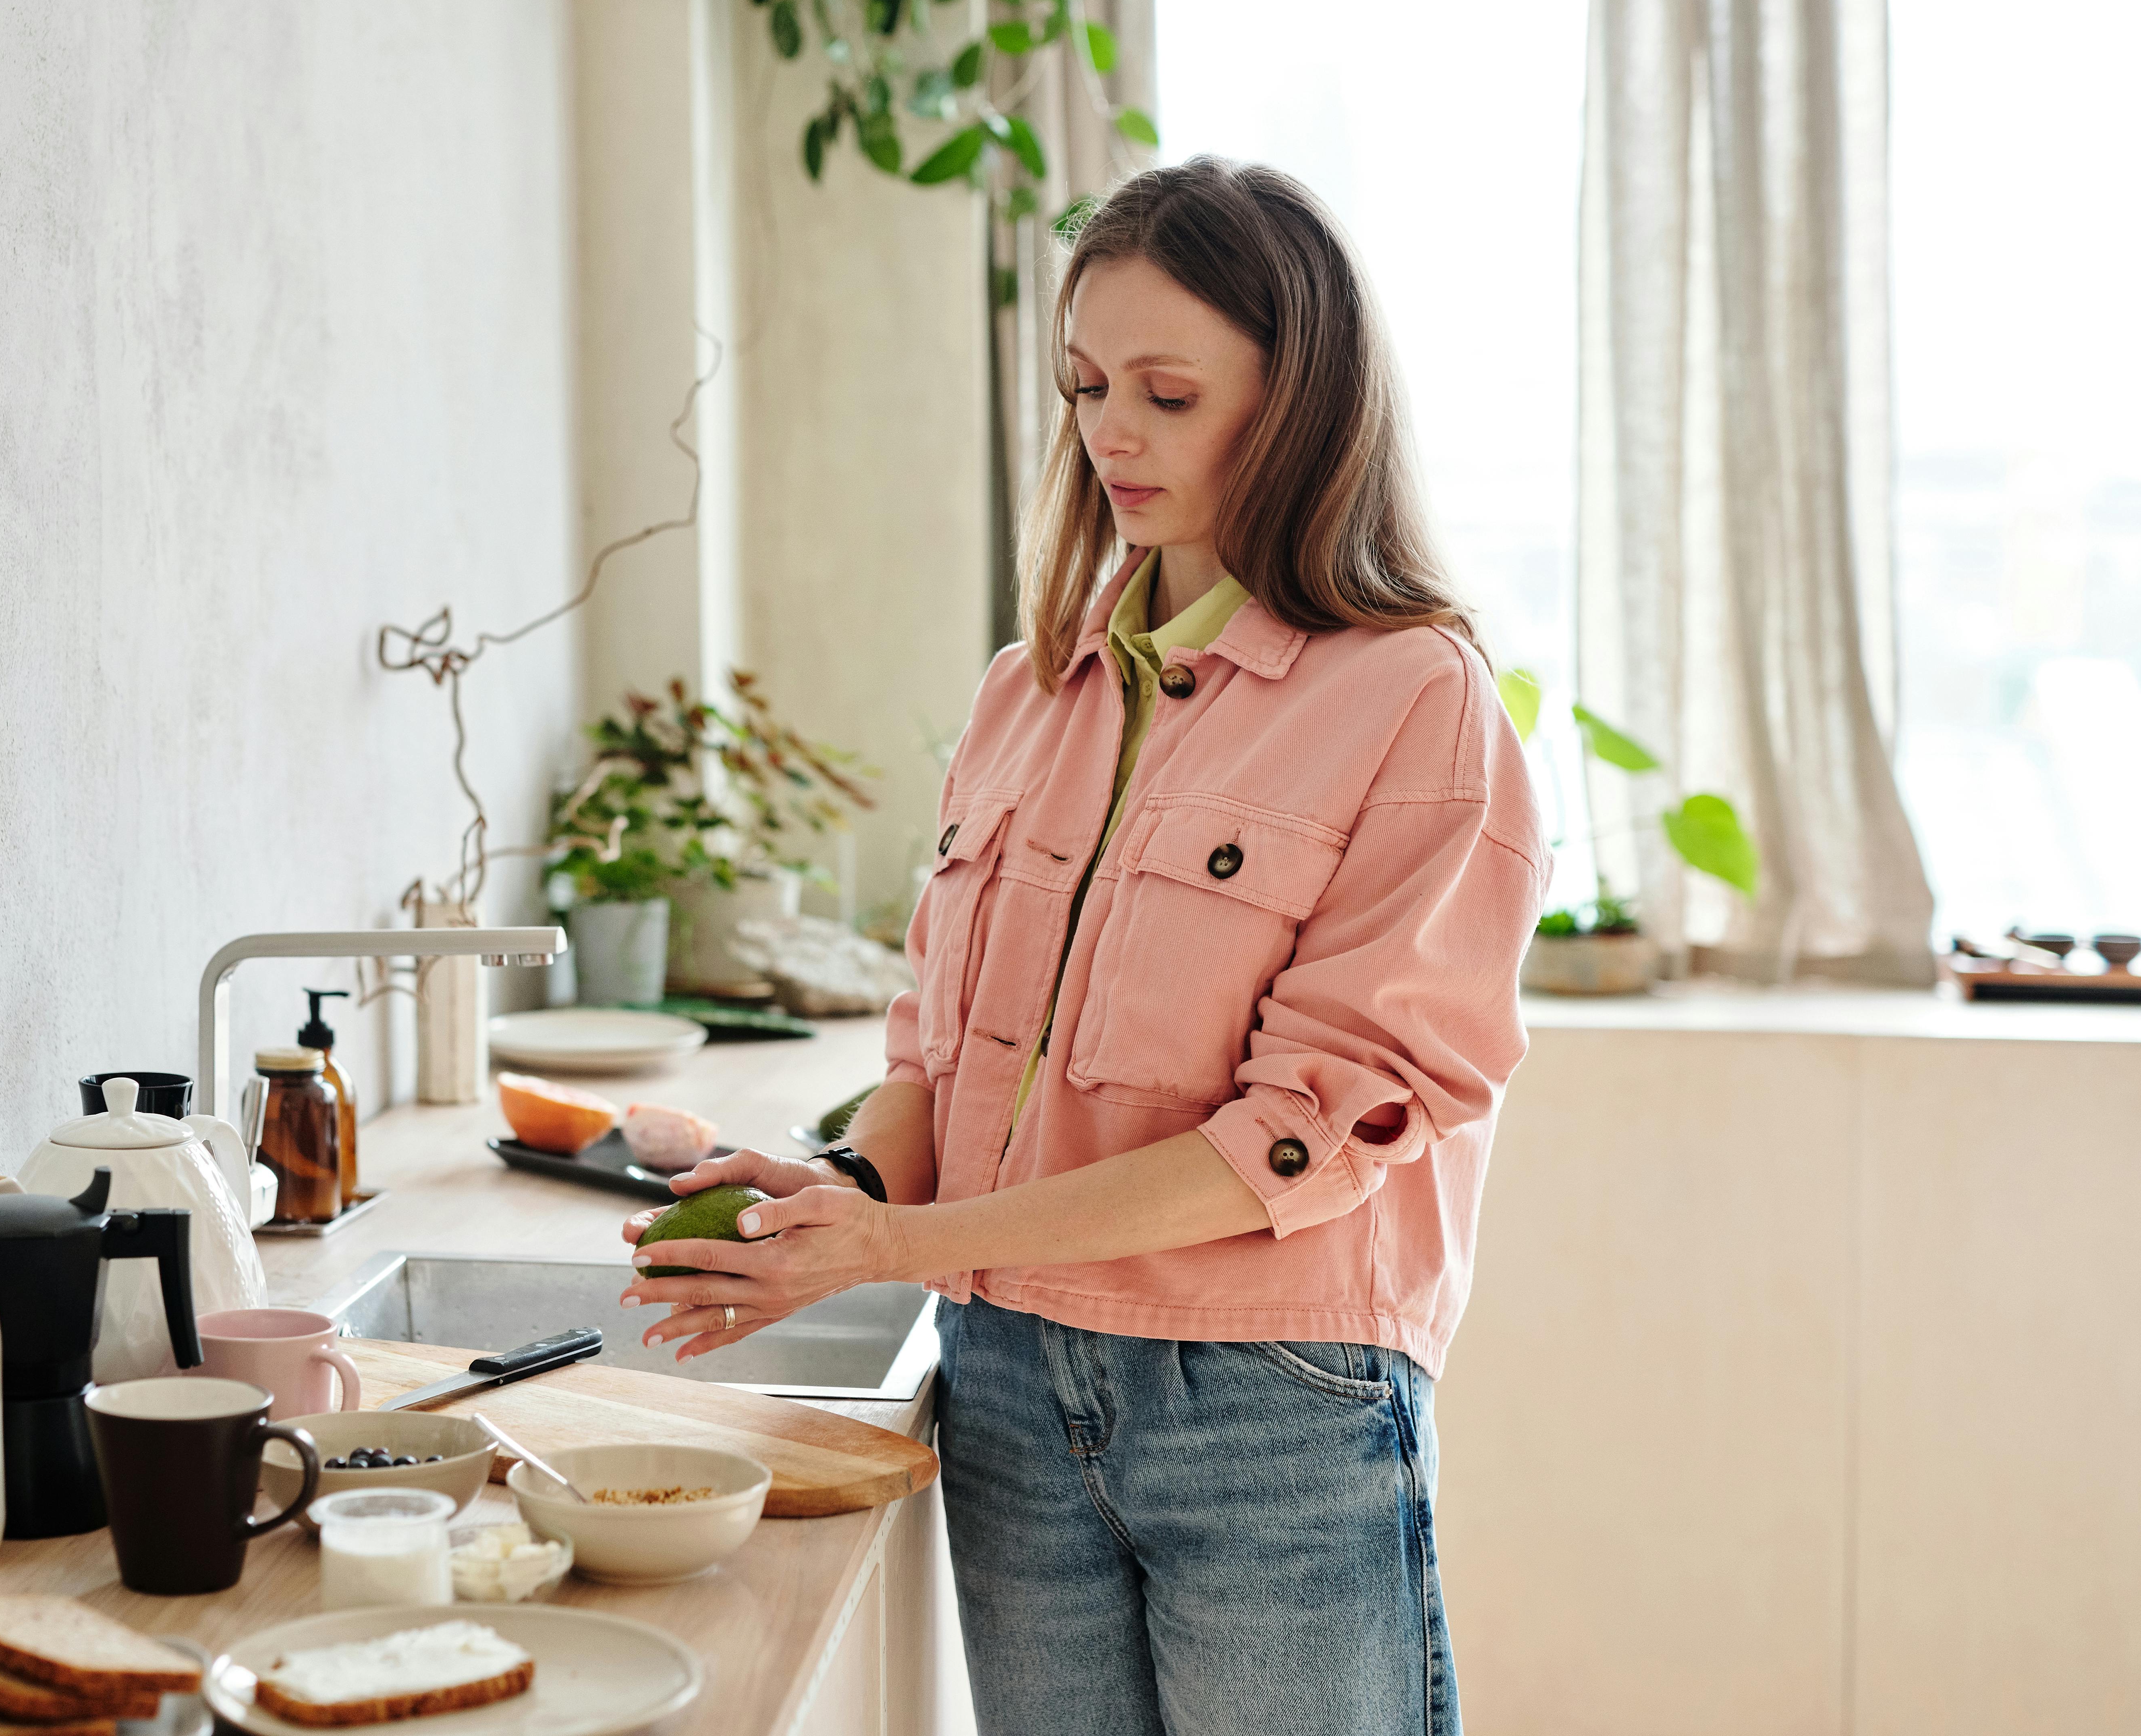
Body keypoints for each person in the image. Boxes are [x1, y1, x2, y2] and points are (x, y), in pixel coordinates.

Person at [621, 156, 1547, 1736]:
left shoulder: (1411, 700)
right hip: (1008, 1384)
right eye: (1084, 386)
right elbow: (940, 1052)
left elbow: (1307, 1132)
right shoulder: (1029, 690)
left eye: (1169, 394)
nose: (1111, 433)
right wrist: (841, 1199)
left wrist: (899, 1253)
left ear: (1303, 399)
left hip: (1270, 1402)